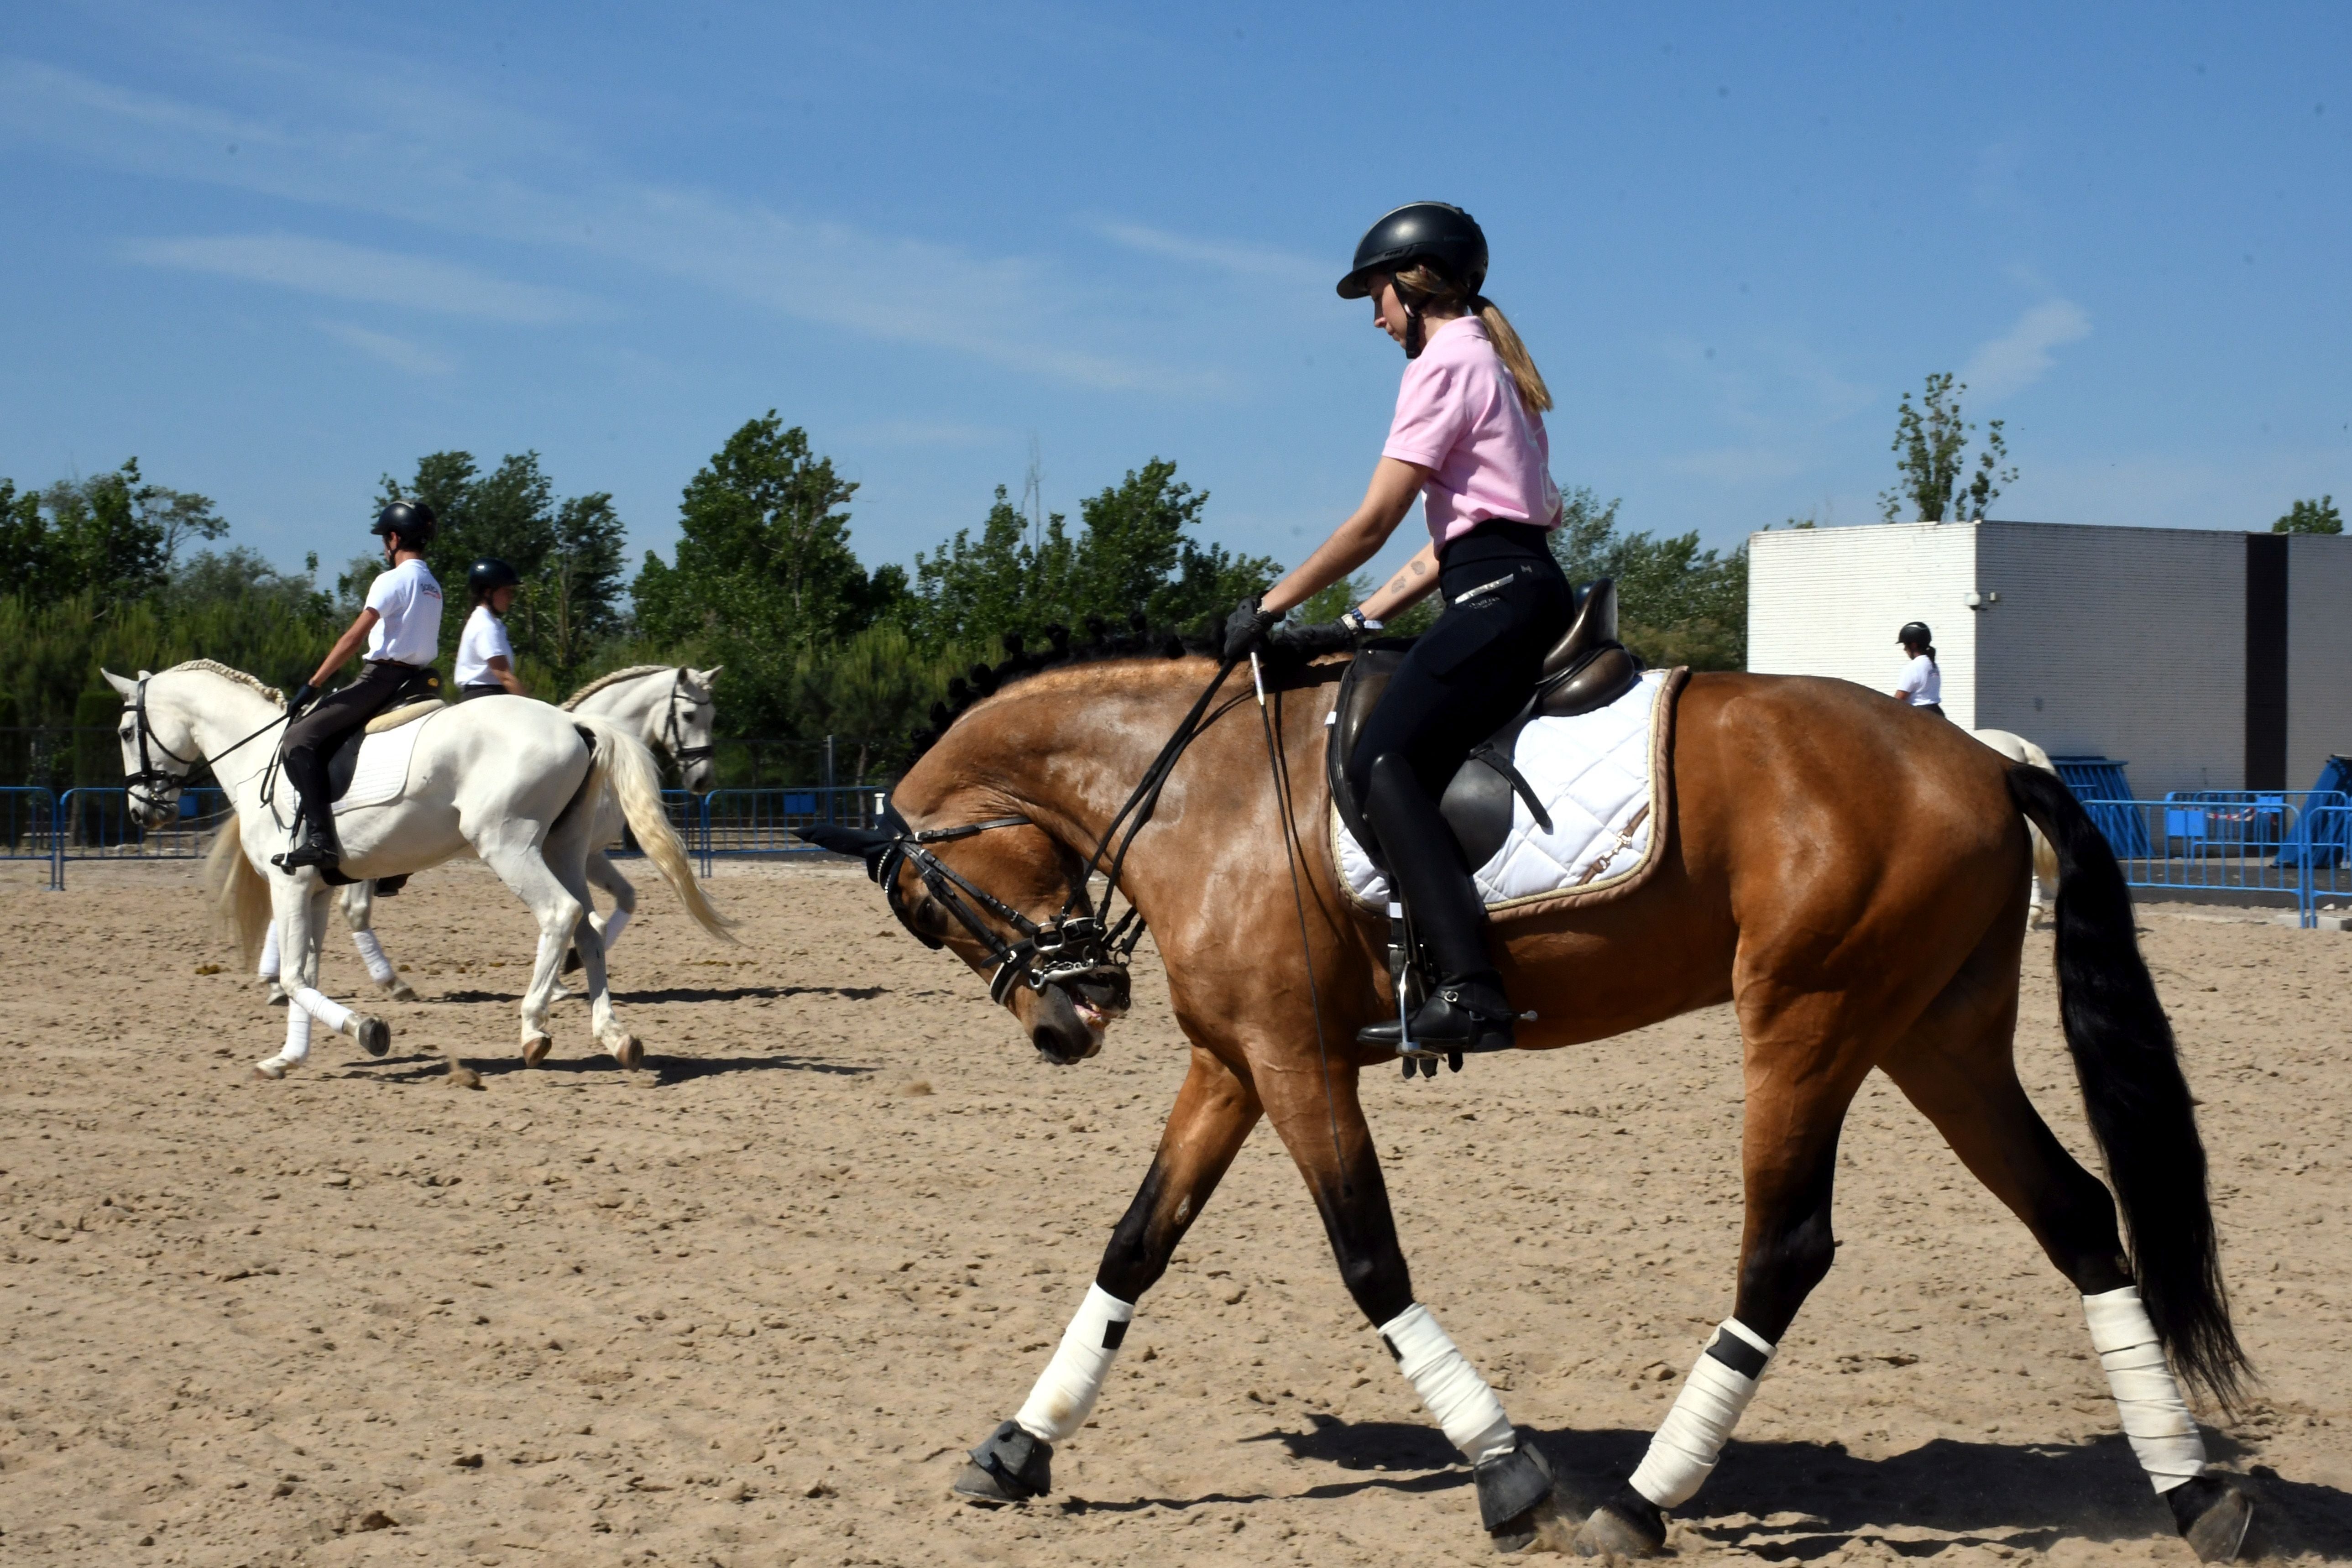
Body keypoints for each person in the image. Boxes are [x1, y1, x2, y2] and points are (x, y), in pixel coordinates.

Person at [1223, 202, 1571, 1056]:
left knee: (1383, 759)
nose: (1374, 318)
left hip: (1497, 596)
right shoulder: (1494, 364)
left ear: (1411, 288)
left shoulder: (1443, 363)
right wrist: (1348, 621)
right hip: (1508, 582)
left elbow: (1374, 521)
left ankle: (1470, 990)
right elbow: (1446, 547)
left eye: (1374, 296)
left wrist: (1268, 606)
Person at [271, 501, 445, 872]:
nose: (385, 547)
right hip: (419, 680)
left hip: (381, 679)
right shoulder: (432, 585)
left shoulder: (392, 580)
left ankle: (321, 840)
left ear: (395, 538)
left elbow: (353, 638)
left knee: (299, 739)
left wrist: (313, 684)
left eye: (386, 540)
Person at [455, 559, 528, 700]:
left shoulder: (490, 623)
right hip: (486, 696)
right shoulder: (485, 626)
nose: (511, 598)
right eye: (506, 591)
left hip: (493, 695)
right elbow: (505, 676)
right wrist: (539, 707)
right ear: (488, 593)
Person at [1893, 621, 1943, 716]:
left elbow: (1899, 699)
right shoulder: (1933, 665)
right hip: (1937, 713)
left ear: (1913, 645)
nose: (1905, 649)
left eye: (1905, 645)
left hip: (1919, 715)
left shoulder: (1913, 667)